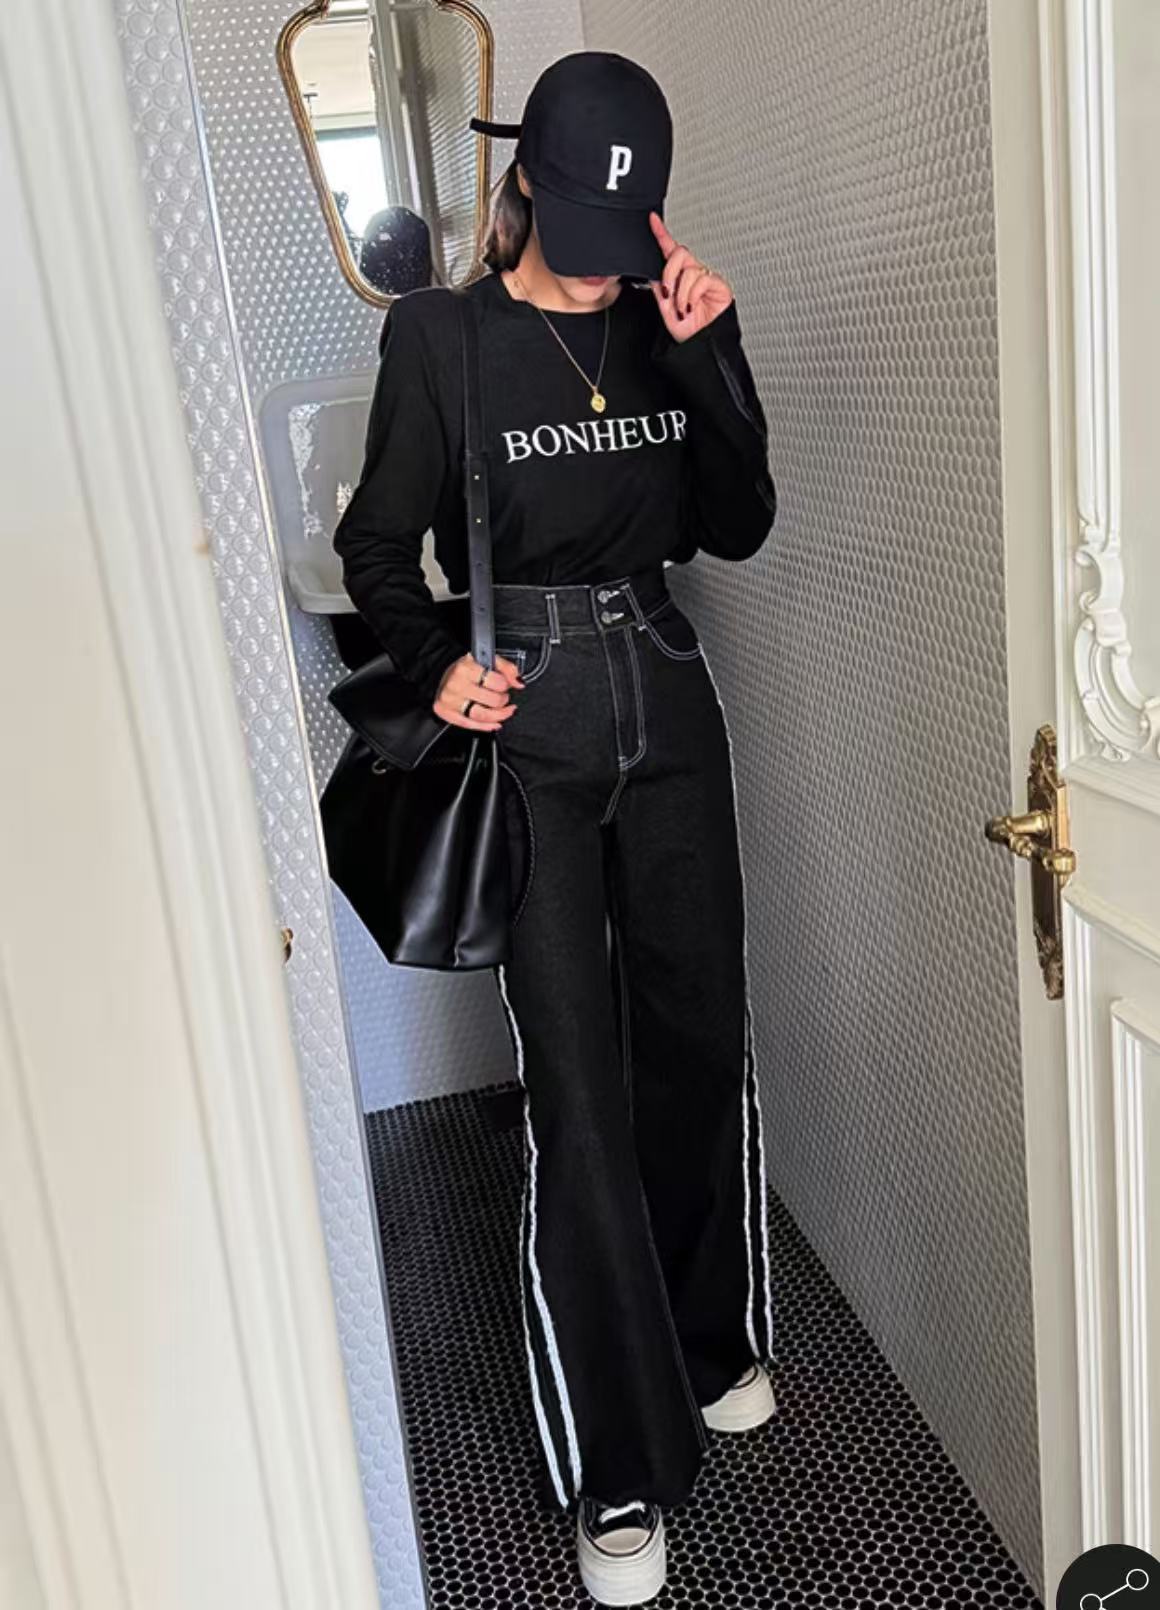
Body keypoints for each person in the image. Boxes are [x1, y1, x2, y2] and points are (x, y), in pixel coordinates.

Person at [332, 49, 778, 1608]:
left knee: (698, 1033)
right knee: (578, 1083)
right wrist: (432, 661)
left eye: (624, 240)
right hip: (528, 710)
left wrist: (715, 356)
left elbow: (738, 524)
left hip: (667, 685)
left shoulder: (663, 316)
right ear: (525, 183)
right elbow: (375, 546)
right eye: (581, 239)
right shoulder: (442, 338)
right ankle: (617, 1459)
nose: (602, 272)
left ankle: (709, 1336)